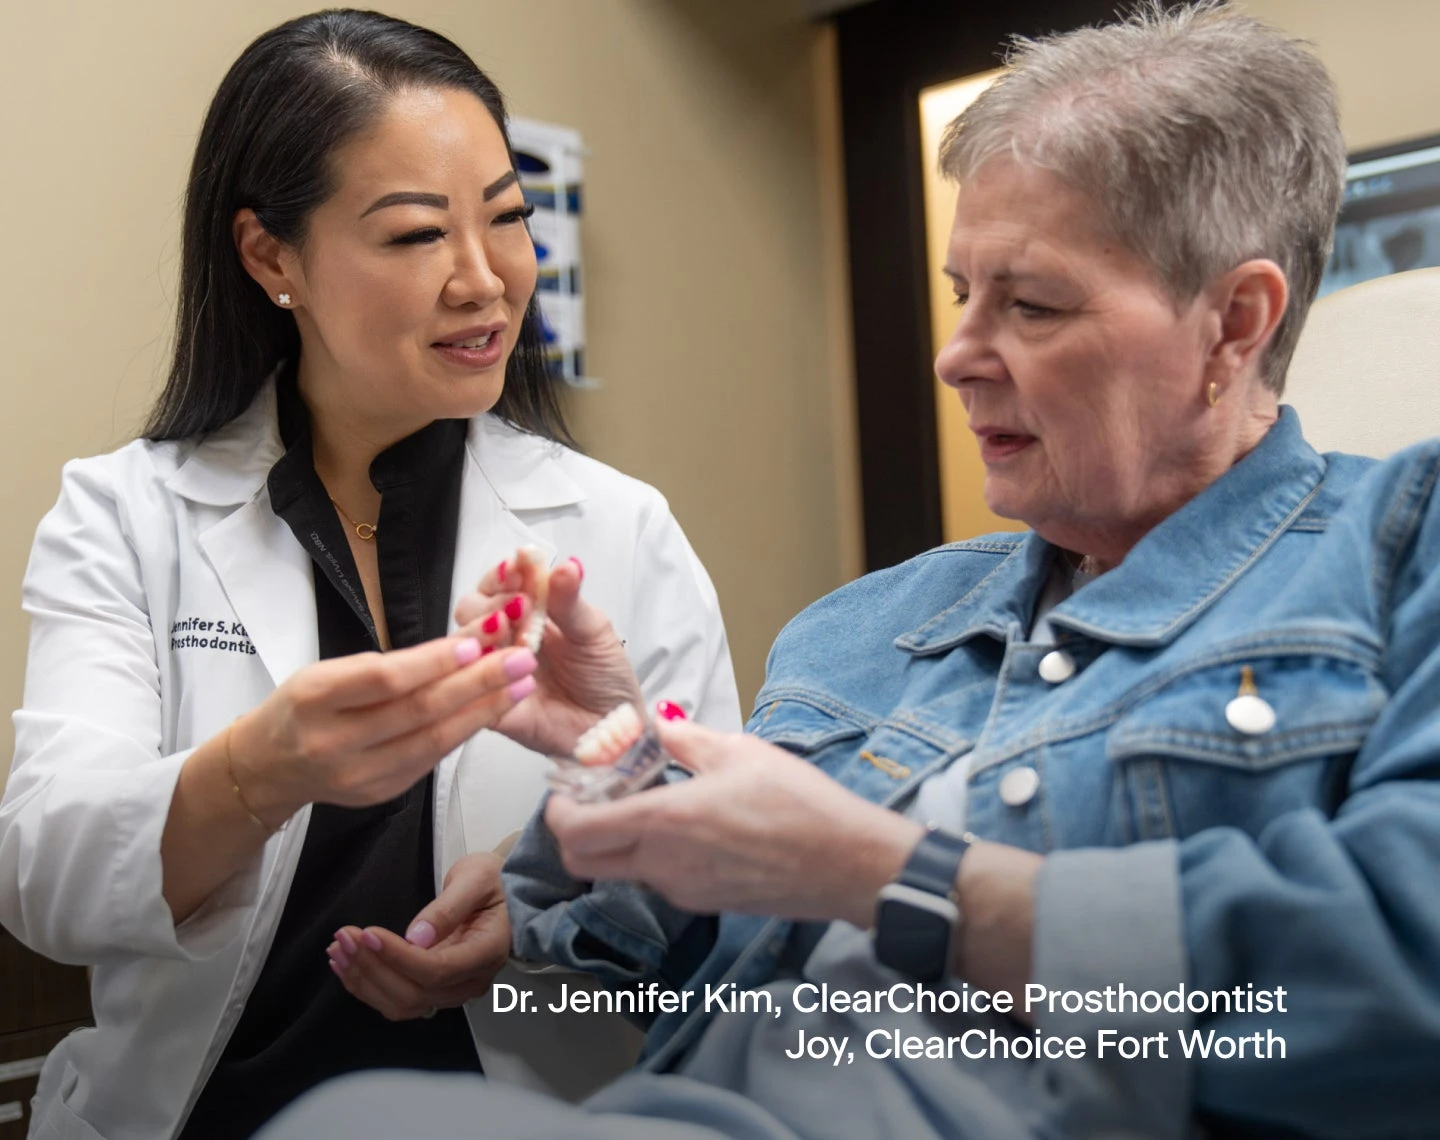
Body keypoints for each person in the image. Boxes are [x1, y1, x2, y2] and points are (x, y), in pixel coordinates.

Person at [256, 5, 1440, 1140]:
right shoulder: (863, 629)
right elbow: (691, 967)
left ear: (1234, 322)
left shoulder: (1394, 551)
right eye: (963, 294)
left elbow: (1400, 984)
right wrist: (621, 758)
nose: (956, 357)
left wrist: (883, 870)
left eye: (1030, 305)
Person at [0, 10, 740, 1140]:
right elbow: (47, 876)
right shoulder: (128, 514)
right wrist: (257, 770)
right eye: (413, 236)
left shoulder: (615, 526)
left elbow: (726, 887)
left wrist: (553, 896)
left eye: (509, 219)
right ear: (270, 257)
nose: (486, 280)